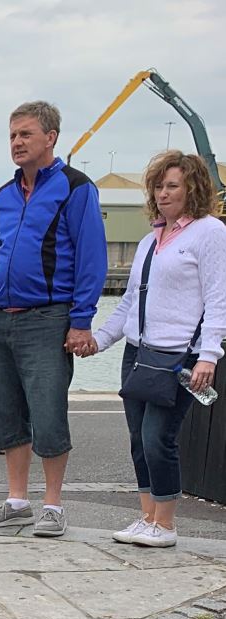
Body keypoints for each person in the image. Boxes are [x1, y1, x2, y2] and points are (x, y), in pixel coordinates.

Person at [0, 100, 107, 538]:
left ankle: (53, 505)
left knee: (48, 413)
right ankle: (17, 502)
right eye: (12, 135)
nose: (16, 143)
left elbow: (91, 259)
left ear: (51, 137)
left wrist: (81, 320)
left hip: (48, 319)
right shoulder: (3, 196)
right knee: (4, 413)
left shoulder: (76, 188)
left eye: (25, 134)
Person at [88, 151, 226, 548]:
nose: (163, 194)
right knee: (137, 439)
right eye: (158, 186)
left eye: (172, 186)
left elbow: (218, 298)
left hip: (179, 355)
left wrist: (208, 355)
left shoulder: (209, 232)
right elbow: (132, 300)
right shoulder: (151, 239)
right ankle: (147, 516)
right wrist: (101, 339)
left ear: (193, 188)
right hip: (137, 353)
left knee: (157, 438)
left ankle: (165, 524)